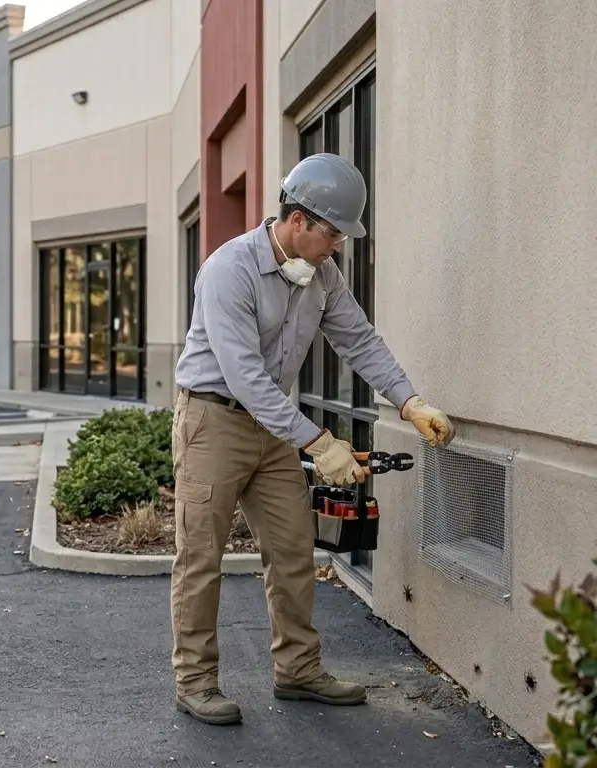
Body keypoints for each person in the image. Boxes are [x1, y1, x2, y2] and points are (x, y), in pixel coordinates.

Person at [169, 152, 456, 725]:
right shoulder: (230, 271)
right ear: (298, 220)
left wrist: (409, 399)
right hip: (214, 421)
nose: (339, 246)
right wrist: (319, 443)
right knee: (201, 556)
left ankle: (297, 670)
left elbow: (360, 341)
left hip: (272, 425)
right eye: (334, 233)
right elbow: (245, 377)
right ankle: (195, 681)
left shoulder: (322, 275)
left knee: (295, 549)